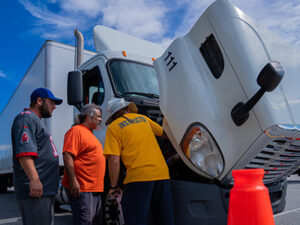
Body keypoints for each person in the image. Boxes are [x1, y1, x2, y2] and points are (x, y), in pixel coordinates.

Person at [104, 98, 175, 225]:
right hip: (162, 173)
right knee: (165, 218)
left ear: (114, 115)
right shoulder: (143, 119)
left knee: (136, 218)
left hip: (138, 177)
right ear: (127, 108)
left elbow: (114, 160)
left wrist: (113, 186)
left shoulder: (113, 128)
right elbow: (166, 134)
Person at [11, 87, 63, 225]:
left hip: (43, 189)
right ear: (39, 101)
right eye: (51, 103)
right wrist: (34, 180)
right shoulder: (26, 118)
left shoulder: (35, 120)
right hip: (36, 190)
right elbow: (24, 153)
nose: (54, 107)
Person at [61, 104, 106, 225]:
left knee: (94, 221)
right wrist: (73, 181)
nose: (101, 119)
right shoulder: (76, 131)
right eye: (98, 116)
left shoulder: (90, 134)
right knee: (84, 221)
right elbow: (67, 155)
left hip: (94, 188)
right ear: (88, 117)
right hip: (83, 187)